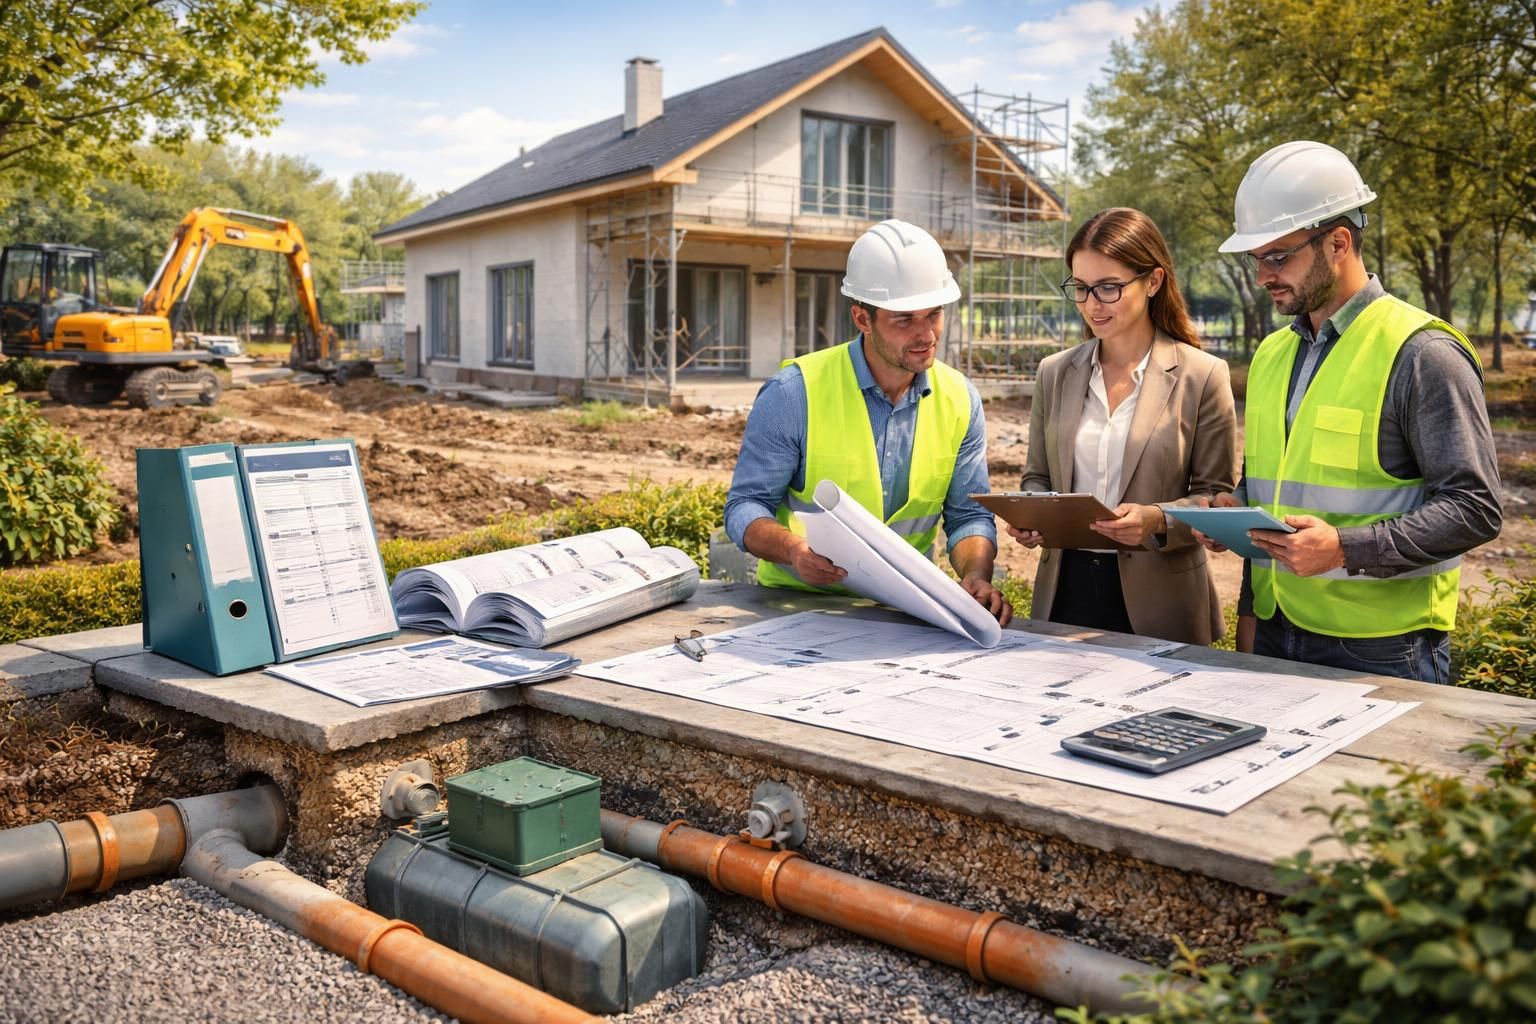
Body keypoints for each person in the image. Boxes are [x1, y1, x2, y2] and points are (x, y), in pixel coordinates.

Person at [1196, 140, 1502, 683]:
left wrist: (1342, 548)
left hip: (1384, 646)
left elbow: (1475, 506)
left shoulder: (1423, 353)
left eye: (1278, 255)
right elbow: (1275, 485)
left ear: (1338, 242)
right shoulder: (1272, 355)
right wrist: (1235, 511)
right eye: (1256, 259)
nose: (1263, 275)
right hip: (1274, 627)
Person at [724, 218, 1012, 626]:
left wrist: (977, 576)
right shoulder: (793, 393)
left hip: (905, 611)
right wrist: (794, 551)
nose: (926, 334)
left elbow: (968, 516)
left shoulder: (960, 398)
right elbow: (745, 506)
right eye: (905, 319)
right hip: (797, 608)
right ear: (862, 319)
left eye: (934, 314)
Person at [1010, 207, 1238, 645]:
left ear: (1153, 281)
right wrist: (1031, 514)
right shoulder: (1053, 372)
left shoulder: (1202, 375)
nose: (1092, 304)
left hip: (1163, 600)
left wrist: (1156, 520)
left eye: (1109, 287)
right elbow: (1037, 476)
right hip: (1063, 593)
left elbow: (1218, 497)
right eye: (1080, 288)